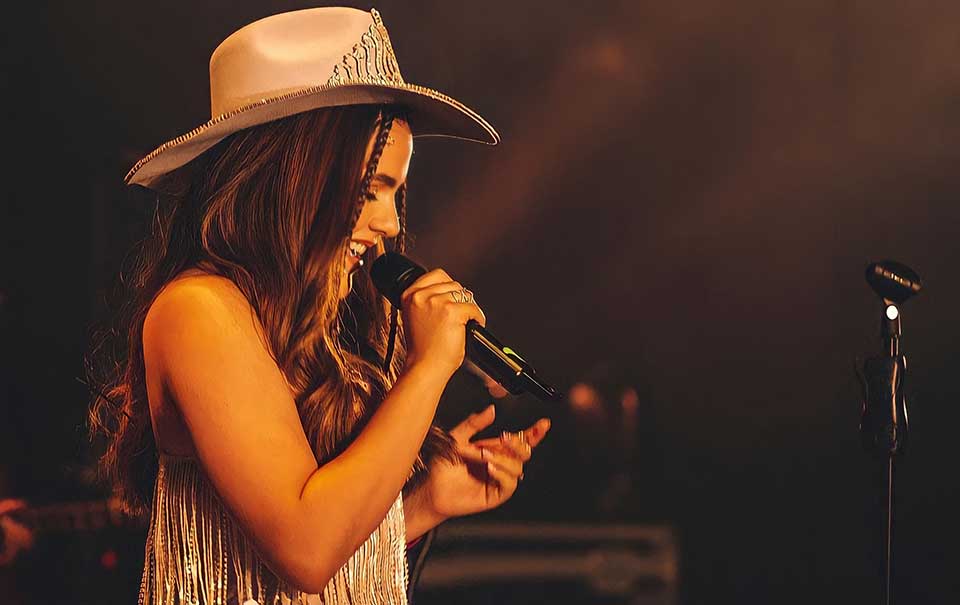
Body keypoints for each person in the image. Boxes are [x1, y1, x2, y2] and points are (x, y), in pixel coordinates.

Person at [86, 7, 550, 604]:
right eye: (368, 189)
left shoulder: (319, 324)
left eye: (395, 192)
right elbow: (307, 550)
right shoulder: (198, 309)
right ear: (291, 175)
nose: (387, 223)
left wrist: (421, 503)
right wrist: (429, 367)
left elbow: (292, 577)